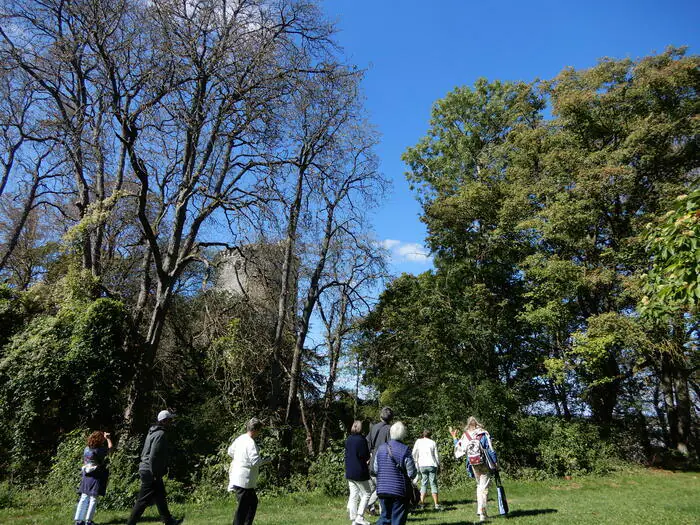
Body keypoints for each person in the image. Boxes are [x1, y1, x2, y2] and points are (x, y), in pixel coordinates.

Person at [127, 410, 183, 525]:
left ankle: (168, 521)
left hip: (146, 468)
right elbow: (154, 456)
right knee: (142, 501)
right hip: (150, 471)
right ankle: (130, 523)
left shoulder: (152, 432)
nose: (171, 422)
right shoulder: (160, 434)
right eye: (169, 420)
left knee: (160, 496)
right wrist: (155, 473)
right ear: (164, 421)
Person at [450, 417, 498, 523]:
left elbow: (459, 449)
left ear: (468, 425)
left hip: (473, 464)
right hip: (484, 463)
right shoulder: (483, 433)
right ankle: (482, 514)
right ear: (477, 424)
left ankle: (480, 511)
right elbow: (490, 448)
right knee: (484, 488)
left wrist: (454, 437)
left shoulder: (465, 435)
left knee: (479, 487)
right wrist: (495, 462)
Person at [227, 417, 272, 525]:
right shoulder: (250, 443)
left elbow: (230, 452)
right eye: (260, 430)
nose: (259, 433)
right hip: (244, 481)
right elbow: (255, 462)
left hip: (239, 479)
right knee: (242, 510)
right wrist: (267, 460)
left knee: (252, 503)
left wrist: (240, 459)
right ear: (256, 430)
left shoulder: (240, 438)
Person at [372, 421, 417, 525]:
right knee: (397, 520)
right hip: (399, 490)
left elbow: (375, 469)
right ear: (403, 435)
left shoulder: (381, 448)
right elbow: (411, 473)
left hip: (382, 489)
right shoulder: (405, 450)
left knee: (384, 518)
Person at [74, 430, 113, 525]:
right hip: (96, 475)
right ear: (99, 440)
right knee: (93, 498)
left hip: (86, 475)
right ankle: (88, 521)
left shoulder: (86, 449)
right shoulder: (99, 450)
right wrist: (108, 439)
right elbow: (110, 449)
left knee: (84, 497)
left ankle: (78, 520)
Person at [366, 406, 394, 515]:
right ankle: (370, 505)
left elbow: (368, 443)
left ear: (380, 416)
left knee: (378, 486)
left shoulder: (373, 428)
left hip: (373, 460)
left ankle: (373, 507)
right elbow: (392, 447)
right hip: (384, 461)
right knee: (383, 488)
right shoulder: (390, 429)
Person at [344, 420, 371, 525]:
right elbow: (366, 456)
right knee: (367, 493)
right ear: (361, 428)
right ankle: (359, 516)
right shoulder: (362, 440)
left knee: (353, 494)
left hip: (349, 470)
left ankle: (353, 518)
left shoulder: (348, 439)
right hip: (359, 470)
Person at [411, 429, 441, 511]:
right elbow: (436, 456)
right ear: (430, 435)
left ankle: (422, 503)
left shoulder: (418, 441)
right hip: (432, 464)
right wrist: (438, 465)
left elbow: (414, 453)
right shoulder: (433, 442)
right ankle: (436, 504)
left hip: (422, 465)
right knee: (433, 484)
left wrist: (416, 461)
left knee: (424, 483)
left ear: (423, 434)